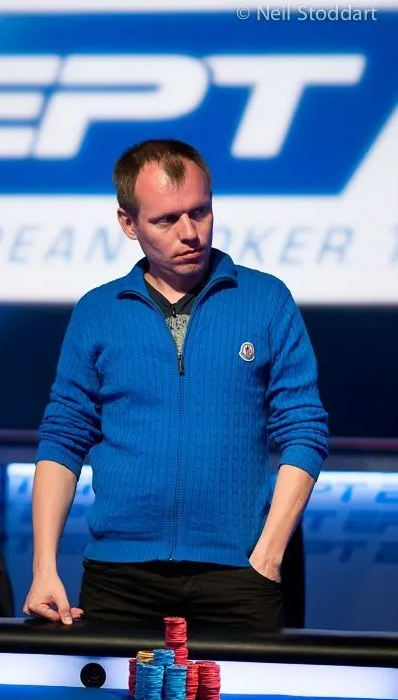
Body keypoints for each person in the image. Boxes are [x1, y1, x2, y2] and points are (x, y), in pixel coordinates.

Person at [23, 139, 329, 630]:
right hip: (120, 576)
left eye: (200, 212)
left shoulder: (266, 300)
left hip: (241, 573)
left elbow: (305, 428)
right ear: (128, 223)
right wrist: (43, 570)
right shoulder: (98, 311)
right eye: (166, 220)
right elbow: (63, 437)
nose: (190, 233)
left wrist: (269, 556)